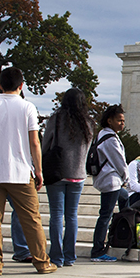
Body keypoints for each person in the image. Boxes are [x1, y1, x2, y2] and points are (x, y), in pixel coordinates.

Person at [0, 67, 54, 275]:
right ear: (21, 85)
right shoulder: (27, 107)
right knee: (31, 218)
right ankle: (42, 262)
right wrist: (39, 170)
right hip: (20, 171)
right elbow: (34, 141)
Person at [41, 87, 93, 268]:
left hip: (57, 171)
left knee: (56, 214)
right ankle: (70, 255)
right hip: (78, 174)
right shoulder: (88, 123)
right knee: (71, 216)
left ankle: (56, 256)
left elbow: (45, 143)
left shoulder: (56, 119)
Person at [90, 105, 128, 262]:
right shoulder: (110, 139)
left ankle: (122, 232)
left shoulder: (104, 135)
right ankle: (98, 250)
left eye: (123, 121)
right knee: (105, 215)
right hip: (111, 181)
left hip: (112, 181)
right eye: (119, 120)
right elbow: (119, 161)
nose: (122, 124)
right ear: (109, 120)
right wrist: (126, 178)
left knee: (125, 199)